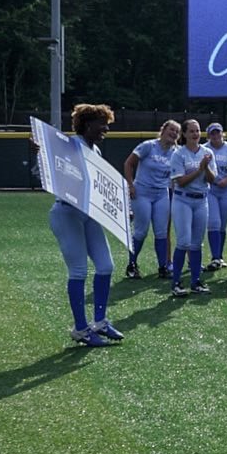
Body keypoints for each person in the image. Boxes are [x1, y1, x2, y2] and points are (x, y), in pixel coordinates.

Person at [50, 104, 124, 347]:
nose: (105, 129)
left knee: (106, 265)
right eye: (102, 123)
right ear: (87, 124)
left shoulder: (96, 151)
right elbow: (49, 169)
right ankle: (81, 328)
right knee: (79, 271)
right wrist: (38, 152)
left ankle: (100, 321)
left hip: (89, 215)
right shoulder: (69, 145)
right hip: (67, 213)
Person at [124, 119, 180, 279]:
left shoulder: (175, 152)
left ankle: (163, 266)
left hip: (162, 193)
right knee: (141, 231)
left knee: (162, 231)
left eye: (177, 131)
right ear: (163, 130)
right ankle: (132, 265)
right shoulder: (149, 146)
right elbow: (128, 163)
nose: (174, 133)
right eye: (171, 129)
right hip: (142, 191)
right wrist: (130, 185)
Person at [169, 119, 216, 297]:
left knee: (197, 243)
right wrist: (199, 169)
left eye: (197, 131)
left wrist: (206, 169)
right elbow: (180, 181)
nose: (195, 134)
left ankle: (196, 281)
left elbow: (213, 180)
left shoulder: (207, 152)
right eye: (191, 131)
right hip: (183, 200)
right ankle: (176, 283)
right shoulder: (179, 154)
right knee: (184, 241)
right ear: (185, 134)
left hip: (201, 199)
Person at [203, 123, 227, 272]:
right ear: (209, 135)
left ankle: (220, 256)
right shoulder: (204, 148)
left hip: (226, 190)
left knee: (222, 225)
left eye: (218, 133)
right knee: (214, 222)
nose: (216, 136)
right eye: (213, 133)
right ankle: (215, 257)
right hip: (211, 189)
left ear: (222, 134)